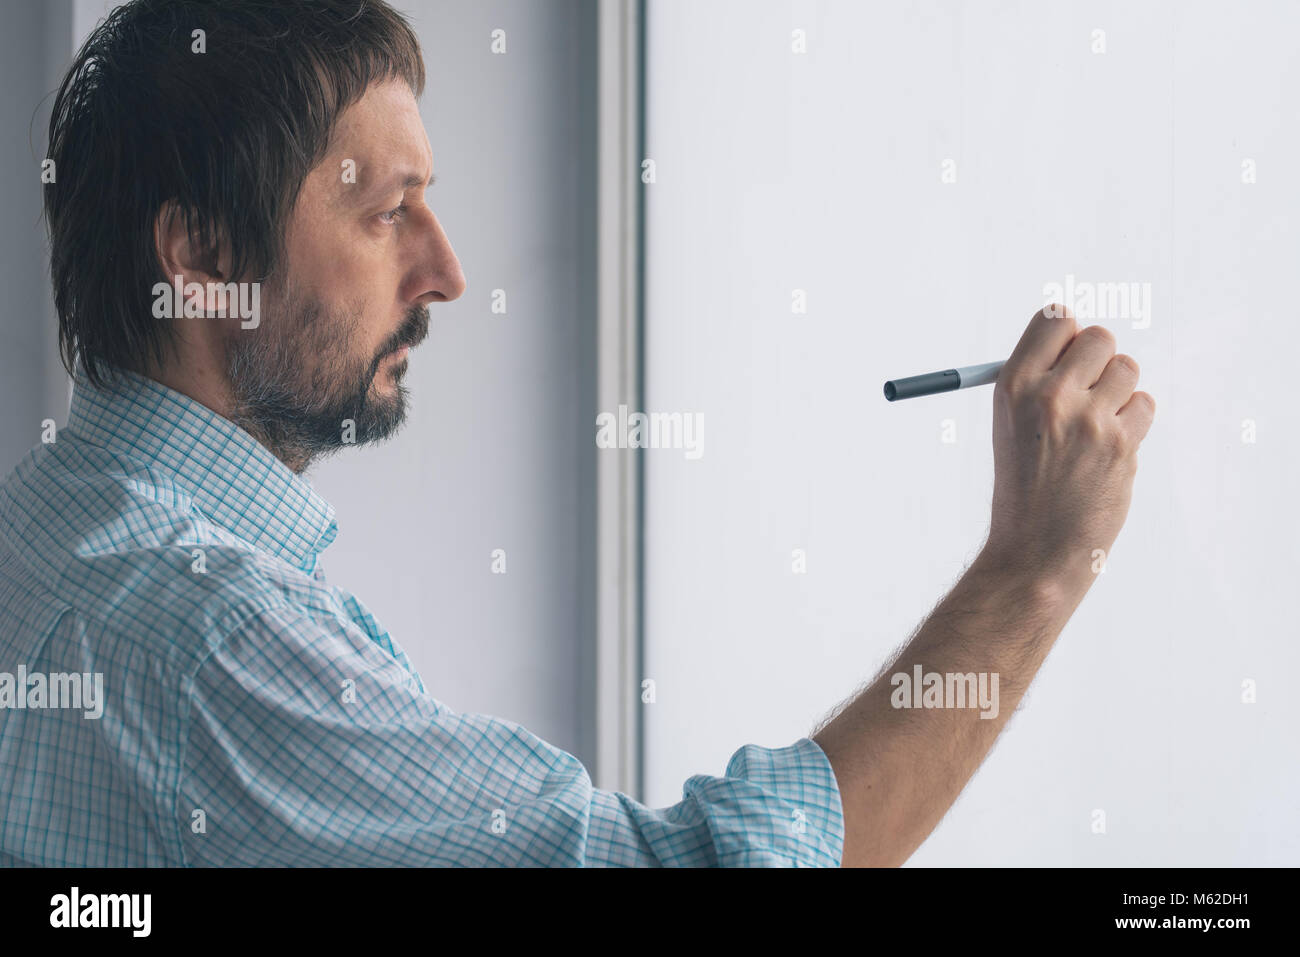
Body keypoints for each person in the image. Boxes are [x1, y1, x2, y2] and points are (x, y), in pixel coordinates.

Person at [0, 0, 1154, 867]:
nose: (446, 273)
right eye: (388, 212)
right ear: (201, 262)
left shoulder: (45, 526)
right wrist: (1034, 570)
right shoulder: (213, 643)